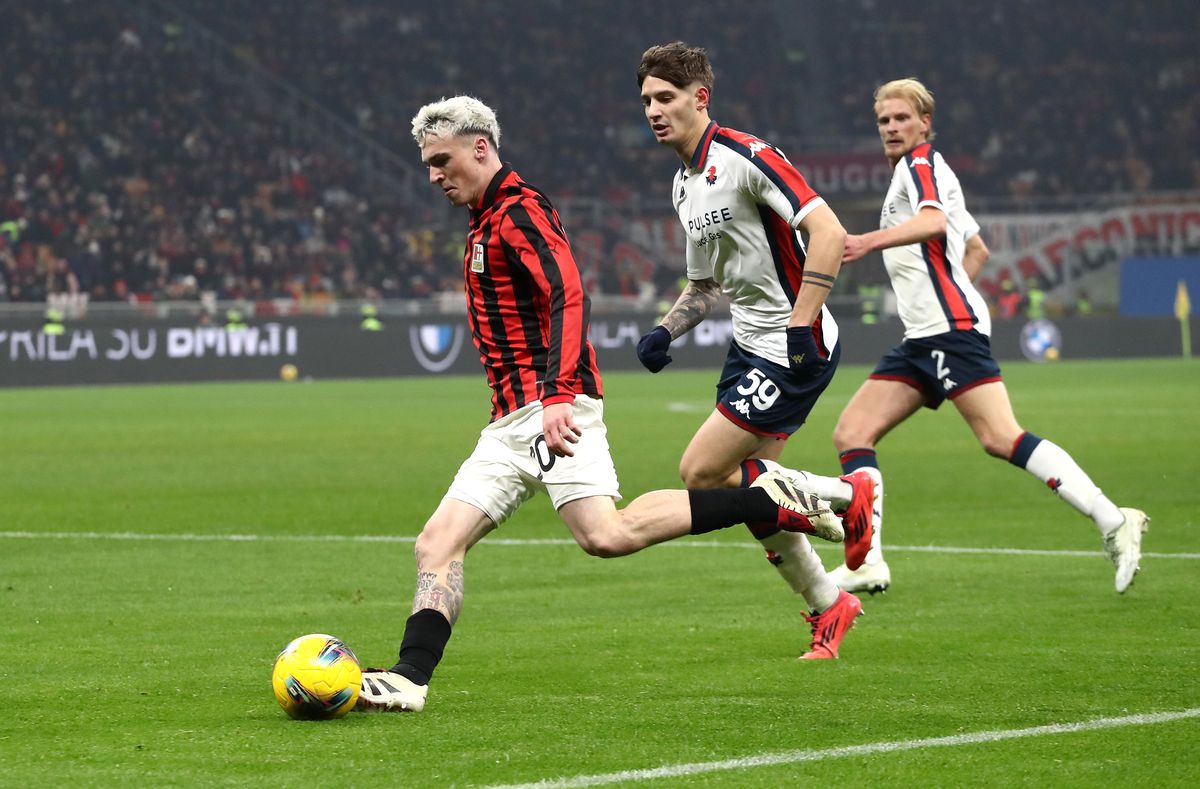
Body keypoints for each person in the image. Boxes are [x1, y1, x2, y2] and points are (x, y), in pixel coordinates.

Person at [356, 96, 848, 714]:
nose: (433, 175)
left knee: (606, 536)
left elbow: (567, 294)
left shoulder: (520, 211)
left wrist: (560, 394)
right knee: (435, 543)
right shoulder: (485, 219)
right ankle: (409, 679)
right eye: (428, 164)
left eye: (441, 160)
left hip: (553, 408)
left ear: (480, 147)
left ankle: (767, 498)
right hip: (510, 420)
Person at [830, 77, 1147, 594]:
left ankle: (1114, 519)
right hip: (924, 335)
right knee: (852, 434)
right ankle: (866, 561)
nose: (891, 128)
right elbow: (975, 249)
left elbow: (934, 223)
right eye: (884, 121)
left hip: (949, 332)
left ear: (924, 122)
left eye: (901, 118)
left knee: (1000, 437)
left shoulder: (921, 164)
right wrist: (949, 292)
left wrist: (870, 240)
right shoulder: (919, 172)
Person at [634, 42, 874, 657]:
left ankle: (849, 497)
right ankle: (830, 606)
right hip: (749, 345)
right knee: (755, 499)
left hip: (795, 345)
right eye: (646, 102)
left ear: (699, 98)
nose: (654, 111)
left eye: (666, 98)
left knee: (701, 474)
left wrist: (801, 321)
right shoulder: (685, 186)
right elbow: (706, 284)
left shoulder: (747, 156)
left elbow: (829, 232)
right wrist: (668, 329)